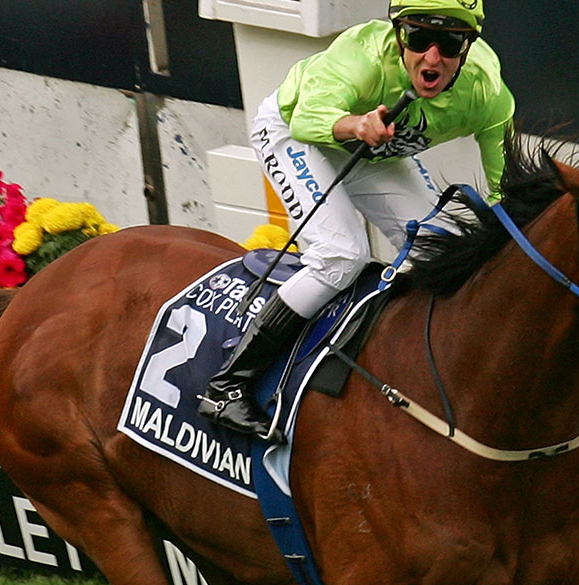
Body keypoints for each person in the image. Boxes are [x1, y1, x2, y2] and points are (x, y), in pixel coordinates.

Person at [199, 0, 516, 441]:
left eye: (449, 43)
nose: (432, 57)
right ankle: (226, 385)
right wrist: (355, 125)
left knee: (441, 246)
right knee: (342, 254)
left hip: (375, 152)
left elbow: (504, 188)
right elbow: (310, 119)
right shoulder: (363, 55)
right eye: (419, 39)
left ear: (468, 47)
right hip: (297, 130)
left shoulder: (487, 92)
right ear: (398, 36)